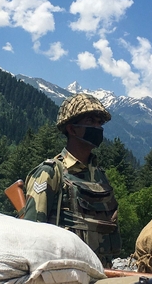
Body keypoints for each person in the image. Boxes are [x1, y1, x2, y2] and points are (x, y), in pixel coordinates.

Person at [20, 93, 121, 267]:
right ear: (72, 129)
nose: (97, 128)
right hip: (63, 276)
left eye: (99, 123)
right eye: (90, 122)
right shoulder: (50, 173)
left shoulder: (100, 176)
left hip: (102, 272)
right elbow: (30, 236)